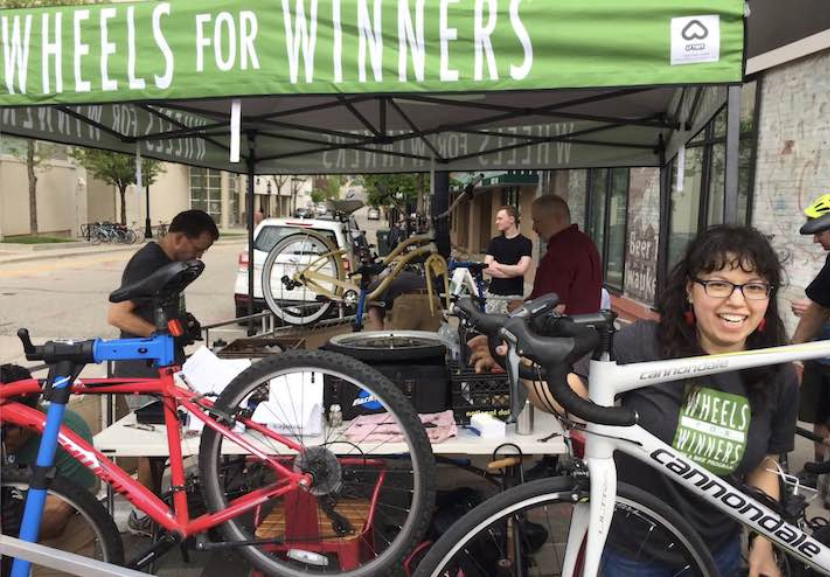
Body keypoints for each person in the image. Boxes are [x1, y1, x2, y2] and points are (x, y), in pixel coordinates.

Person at [472, 225, 795, 577]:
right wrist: (529, 360)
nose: (736, 300)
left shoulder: (776, 373)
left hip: (719, 557)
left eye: (754, 287)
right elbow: (571, 399)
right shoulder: (644, 345)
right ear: (689, 289)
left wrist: (763, 545)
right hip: (634, 557)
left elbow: (765, 466)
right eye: (717, 284)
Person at [107, 208, 219, 535]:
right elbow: (117, 315)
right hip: (141, 367)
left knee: (164, 443)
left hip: (162, 365)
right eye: (196, 248)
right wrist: (159, 338)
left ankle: (156, 510)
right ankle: (145, 516)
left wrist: (180, 327)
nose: (198, 256)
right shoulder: (148, 262)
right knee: (151, 446)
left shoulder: (171, 265)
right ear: (179, 237)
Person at [1, 364, 97, 577]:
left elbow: (55, 516)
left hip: (56, 530)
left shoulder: (68, 430)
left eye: (8, 427)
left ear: (32, 410)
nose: (2, 436)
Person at [521, 194, 602, 314]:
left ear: (556, 219)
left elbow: (553, 308)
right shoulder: (585, 242)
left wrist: (522, 308)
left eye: (537, 221)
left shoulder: (560, 253)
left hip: (562, 330)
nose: (534, 227)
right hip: (586, 327)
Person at [483, 206, 532, 314]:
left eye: (500, 218)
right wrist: (513, 271)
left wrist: (497, 265)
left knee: (508, 330)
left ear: (511, 219)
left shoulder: (525, 243)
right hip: (493, 295)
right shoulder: (494, 242)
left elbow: (522, 270)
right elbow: (486, 268)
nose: (496, 222)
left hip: (513, 297)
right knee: (490, 328)